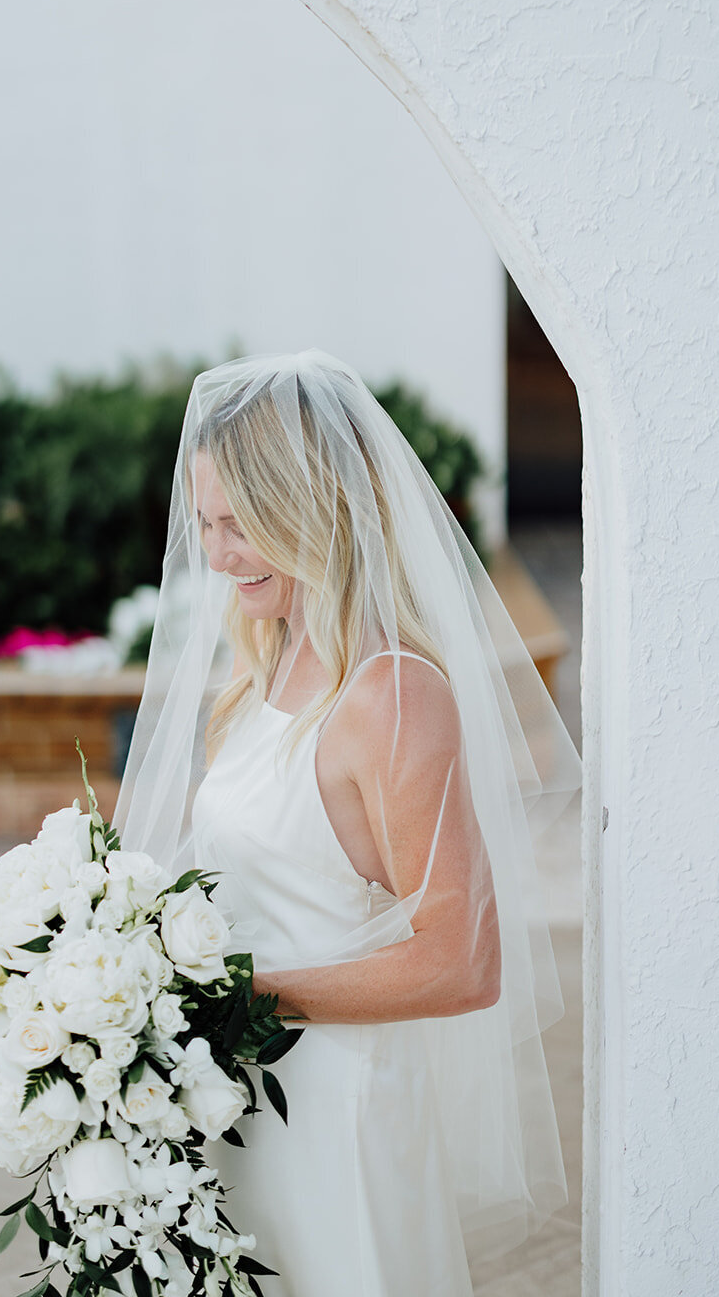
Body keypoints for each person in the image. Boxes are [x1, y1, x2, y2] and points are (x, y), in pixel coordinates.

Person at [115, 350, 580, 1295]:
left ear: (310, 511)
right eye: (205, 523)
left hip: (340, 1111)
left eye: (239, 524)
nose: (216, 553)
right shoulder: (262, 669)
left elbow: (461, 962)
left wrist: (240, 999)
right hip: (239, 1097)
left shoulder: (395, 698)